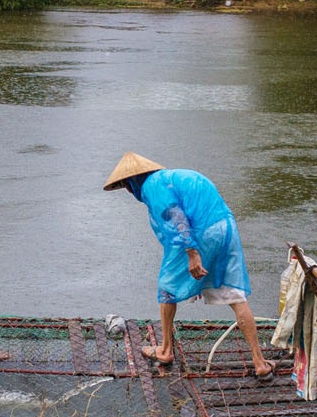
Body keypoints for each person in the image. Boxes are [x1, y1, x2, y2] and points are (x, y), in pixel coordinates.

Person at [103, 153, 277, 378]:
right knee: (235, 295)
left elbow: (177, 218)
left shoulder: (152, 185)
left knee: (167, 287)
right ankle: (259, 362)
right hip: (226, 228)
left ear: (132, 181)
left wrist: (193, 253)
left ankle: (165, 350)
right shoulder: (175, 177)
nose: (129, 191)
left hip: (201, 233)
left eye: (126, 185)